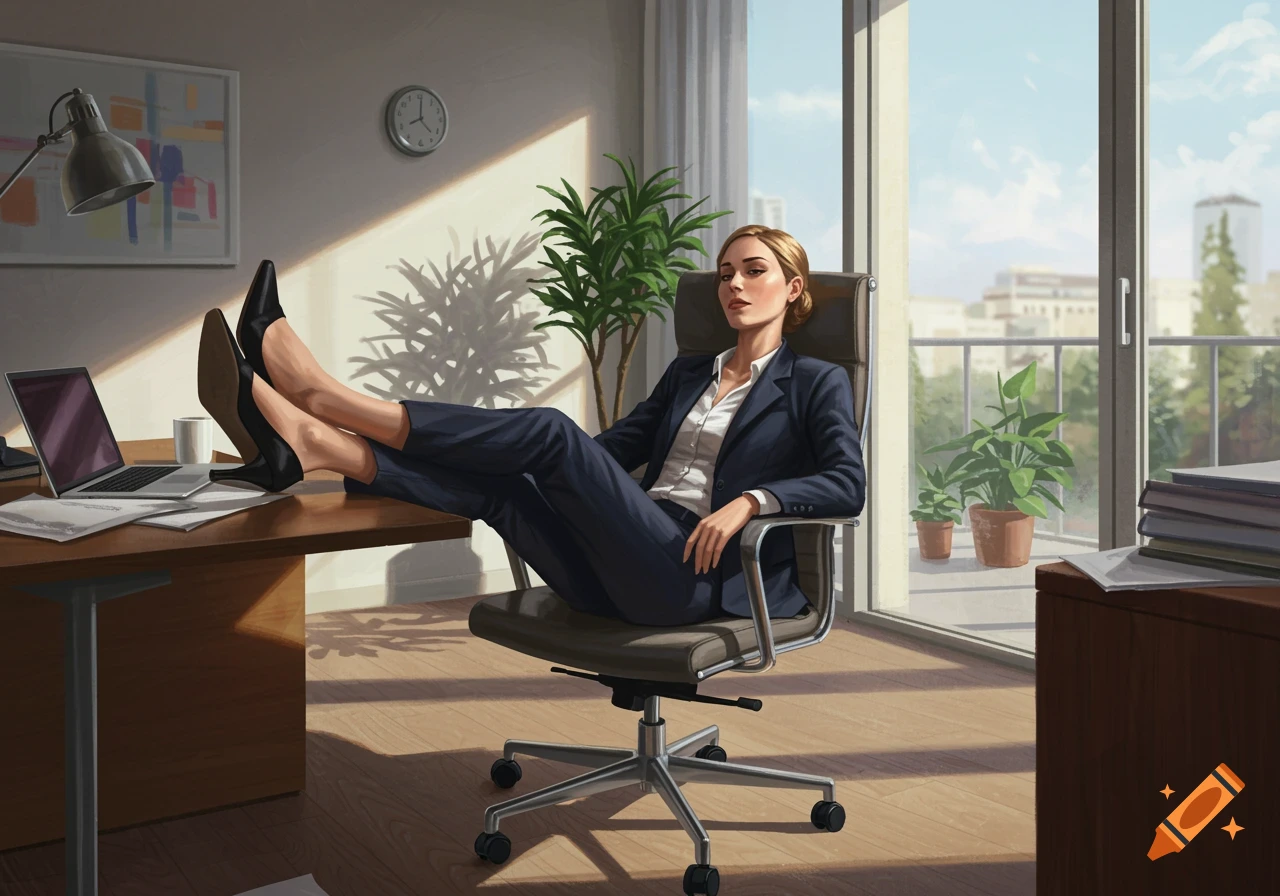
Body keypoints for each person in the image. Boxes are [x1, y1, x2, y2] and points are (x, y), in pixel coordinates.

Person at [196, 224, 865, 627]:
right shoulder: (691, 373)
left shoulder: (813, 380)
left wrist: (751, 503)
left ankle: (321, 399)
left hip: (697, 580)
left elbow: (846, 483)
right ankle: (320, 448)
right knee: (506, 485)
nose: (735, 286)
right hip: (621, 557)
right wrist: (545, 470)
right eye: (725, 274)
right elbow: (612, 451)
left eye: (755, 271)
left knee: (548, 432)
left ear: (794, 288)